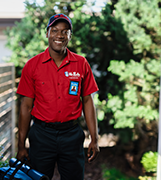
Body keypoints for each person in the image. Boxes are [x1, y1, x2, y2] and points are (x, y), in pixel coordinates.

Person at [16, 13, 100, 180]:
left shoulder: (81, 63)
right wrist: (21, 145)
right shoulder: (32, 66)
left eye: (65, 31)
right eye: (55, 30)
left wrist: (94, 138)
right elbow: (25, 107)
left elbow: (88, 101)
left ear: (70, 35)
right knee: (38, 178)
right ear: (47, 33)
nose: (59, 35)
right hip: (41, 135)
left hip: (71, 135)